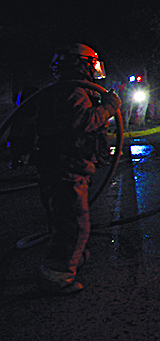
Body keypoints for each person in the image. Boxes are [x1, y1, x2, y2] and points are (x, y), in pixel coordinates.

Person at [32, 43, 121, 295]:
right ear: (82, 64)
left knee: (64, 220)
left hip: (65, 167)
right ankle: (57, 277)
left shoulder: (67, 89)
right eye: (92, 64)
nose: (95, 69)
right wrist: (110, 106)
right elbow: (84, 121)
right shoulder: (73, 91)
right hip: (67, 168)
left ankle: (72, 258)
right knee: (73, 225)